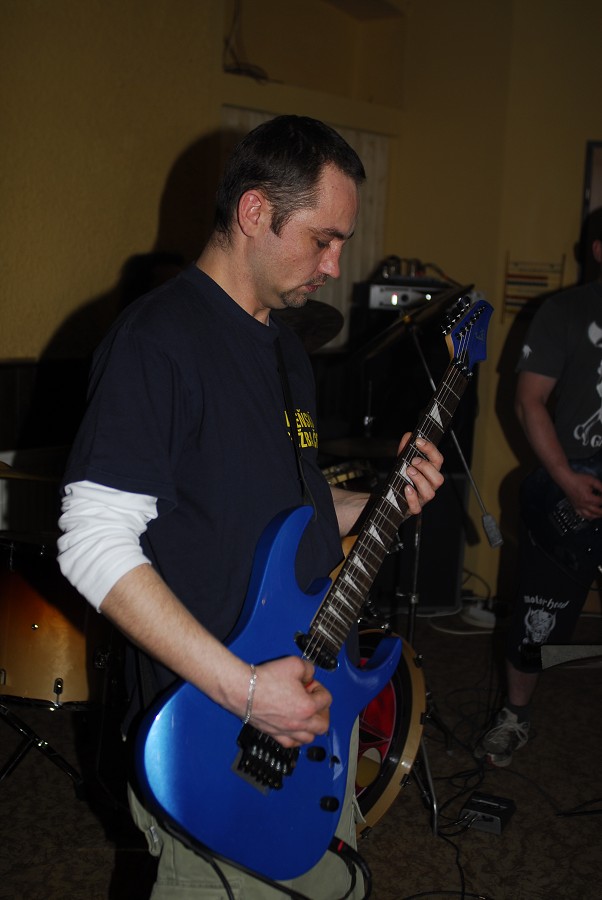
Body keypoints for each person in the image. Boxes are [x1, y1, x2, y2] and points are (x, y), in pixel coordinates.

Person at [57, 115, 444, 899]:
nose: (334, 266)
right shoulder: (158, 340)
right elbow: (90, 542)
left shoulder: (285, 349)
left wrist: (381, 500)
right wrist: (246, 690)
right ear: (255, 211)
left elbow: (284, 503)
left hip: (305, 697)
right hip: (215, 725)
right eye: (322, 240)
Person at [475, 211, 602, 768]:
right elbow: (529, 402)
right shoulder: (565, 312)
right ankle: (516, 715)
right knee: (539, 613)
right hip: (571, 488)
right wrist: (566, 479)